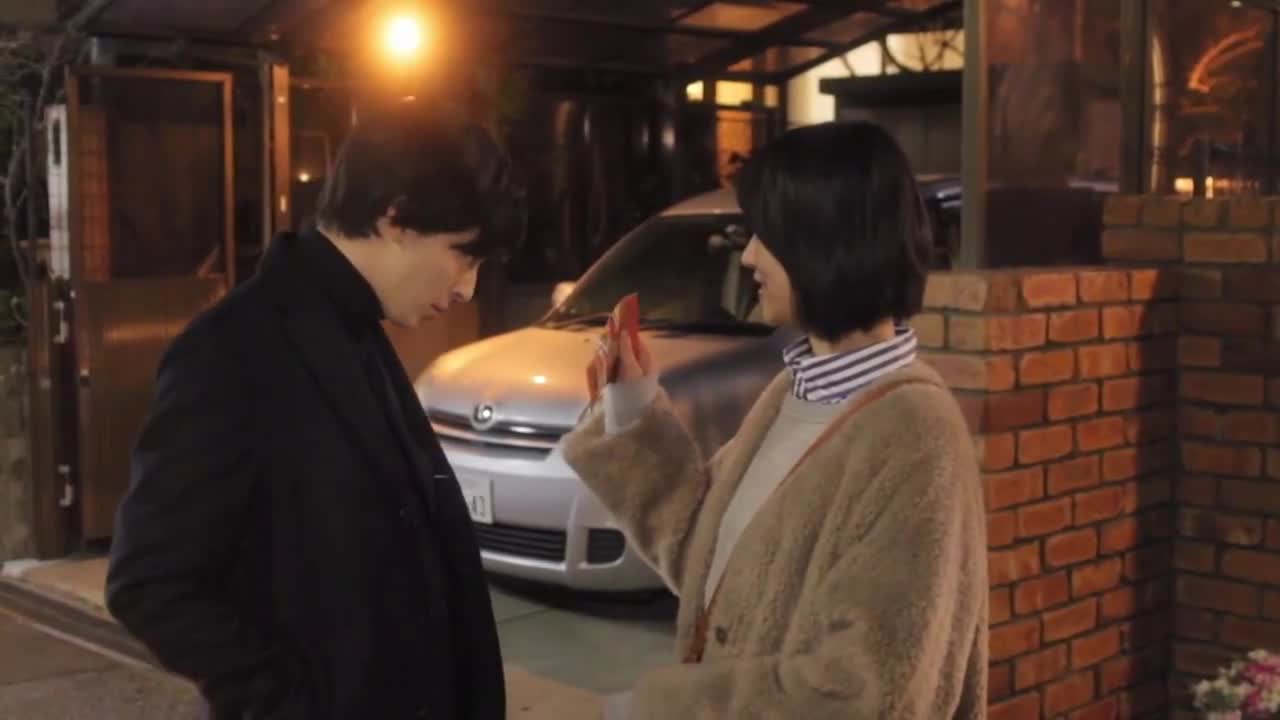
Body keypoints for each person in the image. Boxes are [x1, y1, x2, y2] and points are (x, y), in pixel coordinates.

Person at [106, 106, 525, 720]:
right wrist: (295, 703)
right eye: (464, 255)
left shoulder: (356, 328)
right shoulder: (233, 350)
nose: (467, 288)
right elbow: (149, 581)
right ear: (396, 218)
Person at [566, 121, 988, 719]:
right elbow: (708, 559)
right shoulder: (793, 390)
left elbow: (870, 695)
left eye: (768, 235)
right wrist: (632, 407)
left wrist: (659, 711)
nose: (748, 255)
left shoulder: (917, 436)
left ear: (824, 240)